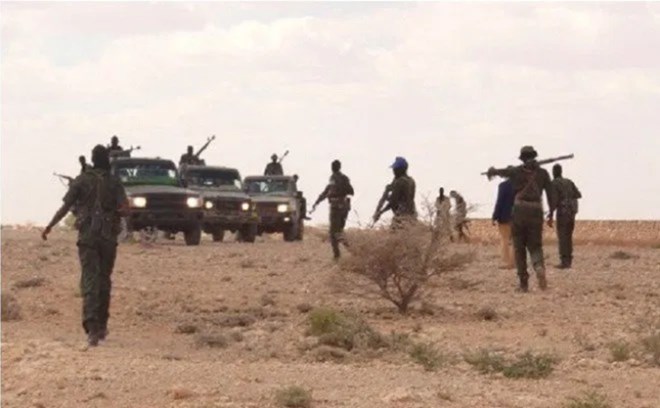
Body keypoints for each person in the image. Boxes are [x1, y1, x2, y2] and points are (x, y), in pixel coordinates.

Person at [42, 145, 127, 346]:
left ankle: (92, 327)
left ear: (92, 159)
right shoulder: (114, 182)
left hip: (88, 237)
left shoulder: (81, 180)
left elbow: (65, 207)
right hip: (108, 237)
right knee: (104, 280)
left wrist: (50, 226)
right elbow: (125, 208)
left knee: (90, 279)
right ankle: (102, 326)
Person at [487, 146, 555, 292]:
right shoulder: (543, 173)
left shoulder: (516, 171)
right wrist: (551, 215)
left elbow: (501, 172)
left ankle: (523, 283)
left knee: (519, 247)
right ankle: (538, 266)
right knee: (535, 246)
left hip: (519, 211)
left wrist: (492, 170)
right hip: (536, 210)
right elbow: (551, 195)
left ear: (522, 158)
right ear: (535, 157)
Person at [312, 160, 354, 259]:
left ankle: (338, 254)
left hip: (337, 206)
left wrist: (336, 193)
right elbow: (327, 191)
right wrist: (317, 202)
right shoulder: (339, 178)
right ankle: (351, 249)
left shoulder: (338, 178)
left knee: (333, 232)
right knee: (338, 231)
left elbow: (349, 191)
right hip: (342, 206)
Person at [550, 164, 582, 269]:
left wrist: (550, 215)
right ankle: (569, 260)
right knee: (568, 237)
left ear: (554, 172)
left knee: (563, 237)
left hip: (562, 213)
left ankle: (564, 261)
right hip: (571, 213)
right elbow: (578, 194)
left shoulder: (554, 183)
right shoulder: (569, 182)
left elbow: (554, 201)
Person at [374, 157, 416, 227]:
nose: (393, 171)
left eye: (395, 169)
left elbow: (393, 202)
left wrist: (380, 212)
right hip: (412, 215)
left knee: (393, 233)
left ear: (401, 170)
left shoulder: (399, 182)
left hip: (401, 217)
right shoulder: (411, 181)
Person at [492, 175, 515, 269]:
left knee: (505, 239)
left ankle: (507, 262)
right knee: (516, 241)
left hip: (505, 216)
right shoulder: (521, 184)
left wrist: (495, 216)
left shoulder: (503, 185)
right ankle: (515, 261)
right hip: (519, 216)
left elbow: (500, 201)